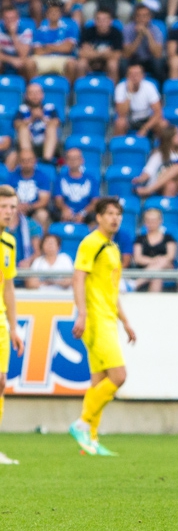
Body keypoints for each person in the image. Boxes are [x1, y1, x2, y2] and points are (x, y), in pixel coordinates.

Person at [68, 198, 137, 457]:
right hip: (95, 320)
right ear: (98, 217)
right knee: (118, 377)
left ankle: (90, 442)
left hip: (108, 318)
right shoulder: (91, 242)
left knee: (98, 381)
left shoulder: (112, 247)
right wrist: (82, 313)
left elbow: (112, 290)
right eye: (109, 213)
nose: (114, 218)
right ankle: (82, 424)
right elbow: (78, 278)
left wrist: (125, 321)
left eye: (118, 213)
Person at [0, 185, 24, 465]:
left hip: (2, 322)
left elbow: (8, 287)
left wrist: (14, 326)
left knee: (1, 382)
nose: (9, 212)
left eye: (13, 208)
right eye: (4, 207)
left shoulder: (9, 243)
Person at [26, 1, 78, 83]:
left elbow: (68, 48)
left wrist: (47, 47)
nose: (54, 14)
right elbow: (38, 51)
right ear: (47, 14)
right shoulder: (40, 30)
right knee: (29, 63)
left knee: (72, 65)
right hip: (44, 59)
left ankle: (67, 92)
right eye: (51, 12)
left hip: (62, 58)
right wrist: (59, 46)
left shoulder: (68, 29)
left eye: (56, 12)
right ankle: (35, 89)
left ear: (61, 14)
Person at [134, 125, 178, 198]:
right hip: (163, 186)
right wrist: (140, 179)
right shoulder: (159, 154)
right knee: (171, 185)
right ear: (169, 137)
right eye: (177, 134)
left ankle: (149, 190)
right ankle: (166, 207)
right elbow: (148, 171)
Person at [113, 63, 164, 138]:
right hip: (129, 119)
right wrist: (129, 93)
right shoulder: (120, 88)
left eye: (137, 74)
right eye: (131, 74)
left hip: (146, 118)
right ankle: (118, 147)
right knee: (120, 123)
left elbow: (158, 113)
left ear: (143, 76)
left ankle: (160, 148)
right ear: (127, 76)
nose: (134, 77)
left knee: (163, 124)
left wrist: (145, 128)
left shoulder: (149, 87)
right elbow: (121, 113)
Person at [133, 208, 177, 293]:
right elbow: (138, 258)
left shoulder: (168, 238)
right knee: (157, 276)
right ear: (145, 222)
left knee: (163, 262)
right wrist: (156, 261)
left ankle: (135, 284)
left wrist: (158, 261)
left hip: (166, 269)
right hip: (145, 269)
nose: (151, 223)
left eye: (153, 220)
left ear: (160, 221)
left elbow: (170, 256)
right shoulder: (140, 239)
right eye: (148, 220)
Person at [14, 82, 59, 165]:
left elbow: (56, 123)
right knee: (23, 129)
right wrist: (31, 119)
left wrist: (42, 117)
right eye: (31, 93)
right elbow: (17, 125)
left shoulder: (50, 107)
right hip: (29, 140)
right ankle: (28, 158)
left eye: (37, 93)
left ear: (42, 95)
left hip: (46, 139)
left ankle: (47, 160)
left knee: (52, 128)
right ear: (26, 96)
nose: (35, 96)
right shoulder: (22, 109)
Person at [8, 148, 51, 228]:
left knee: (42, 215)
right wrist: (17, 207)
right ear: (19, 162)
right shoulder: (12, 177)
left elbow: (44, 201)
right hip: (16, 208)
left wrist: (29, 207)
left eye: (29, 160)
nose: (27, 163)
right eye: (23, 160)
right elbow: (8, 197)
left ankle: (41, 240)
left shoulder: (42, 177)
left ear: (35, 161)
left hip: (34, 209)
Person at [77, 7, 122, 82]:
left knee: (113, 65)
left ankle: (113, 91)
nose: (101, 23)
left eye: (104, 20)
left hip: (106, 63)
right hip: (91, 63)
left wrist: (92, 52)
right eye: (98, 20)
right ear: (95, 21)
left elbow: (117, 55)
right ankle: (80, 90)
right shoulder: (88, 31)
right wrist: (104, 53)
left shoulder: (116, 33)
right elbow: (81, 53)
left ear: (110, 21)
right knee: (81, 64)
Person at [54, 148, 99, 223]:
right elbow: (58, 200)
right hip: (66, 213)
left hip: (86, 214)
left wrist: (83, 213)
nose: (73, 161)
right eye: (70, 158)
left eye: (76, 158)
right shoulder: (60, 178)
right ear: (66, 161)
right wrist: (65, 209)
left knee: (95, 218)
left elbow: (95, 201)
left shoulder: (91, 179)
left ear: (82, 160)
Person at [122, 4, 165, 82]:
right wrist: (139, 36)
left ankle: (161, 89)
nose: (142, 19)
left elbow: (157, 54)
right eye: (139, 16)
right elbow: (126, 54)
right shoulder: (128, 29)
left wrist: (148, 34)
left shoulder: (156, 30)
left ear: (150, 17)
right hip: (134, 59)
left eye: (145, 16)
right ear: (135, 17)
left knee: (158, 62)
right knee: (123, 61)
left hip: (150, 60)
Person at [0, 6, 33, 79]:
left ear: (17, 18)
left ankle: (29, 88)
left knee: (28, 63)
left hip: (20, 60)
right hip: (6, 60)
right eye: (7, 19)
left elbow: (23, 54)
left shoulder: (26, 30)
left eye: (12, 18)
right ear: (2, 19)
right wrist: (11, 60)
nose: (10, 21)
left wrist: (13, 35)